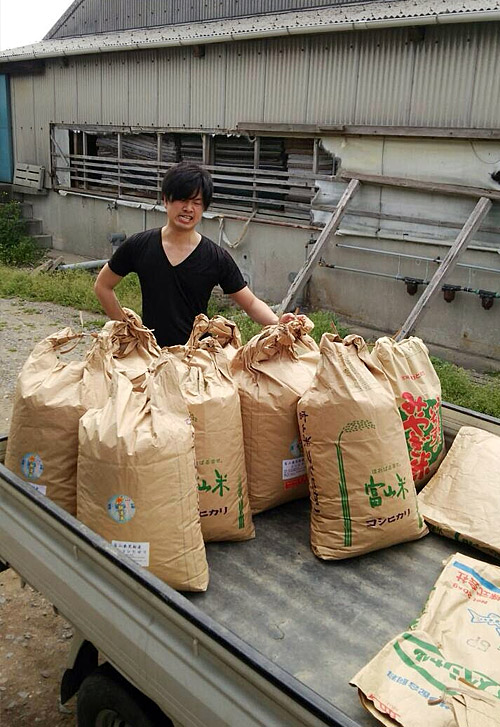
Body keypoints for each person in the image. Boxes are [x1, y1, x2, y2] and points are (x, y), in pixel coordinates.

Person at [95, 162, 292, 347]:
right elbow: (103, 285)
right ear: (165, 199)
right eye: (182, 199)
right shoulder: (139, 245)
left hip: (196, 358)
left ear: (204, 208)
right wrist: (127, 331)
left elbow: (250, 303)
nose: (188, 208)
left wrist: (277, 323)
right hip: (151, 354)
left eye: (196, 202)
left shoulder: (216, 258)